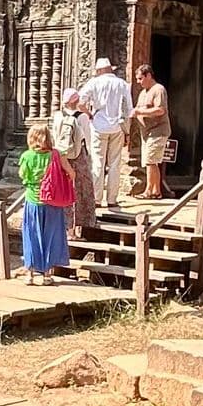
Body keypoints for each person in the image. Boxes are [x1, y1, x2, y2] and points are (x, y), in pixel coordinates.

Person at [17, 121, 75, 285]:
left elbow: (22, 176)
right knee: (50, 236)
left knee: (32, 236)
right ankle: (47, 275)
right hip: (53, 202)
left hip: (33, 201)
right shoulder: (56, 155)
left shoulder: (27, 156)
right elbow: (71, 173)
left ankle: (30, 274)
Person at [78, 55, 133, 213]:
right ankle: (112, 200)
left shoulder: (94, 83)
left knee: (97, 163)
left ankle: (96, 198)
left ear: (99, 70)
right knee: (115, 163)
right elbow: (128, 109)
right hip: (117, 127)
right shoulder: (122, 84)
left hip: (98, 125)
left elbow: (80, 103)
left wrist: (89, 114)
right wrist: (127, 131)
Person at [49, 86, 96, 233]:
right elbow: (87, 139)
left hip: (61, 154)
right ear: (76, 100)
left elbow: (54, 136)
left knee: (64, 187)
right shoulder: (82, 117)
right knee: (82, 188)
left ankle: (64, 225)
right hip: (78, 155)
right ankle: (80, 225)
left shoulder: (57, 116)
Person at [132, 62, 171, 200]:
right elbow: (137, 109)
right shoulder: (143, 93)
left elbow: (161, 109)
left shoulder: (158, 89)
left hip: (157, 130)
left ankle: (149, 190)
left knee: (150, 160)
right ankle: (156, 190)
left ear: (148, 75)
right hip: (146, 132)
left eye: (140, 78)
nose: (138, 82)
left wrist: (141, 111)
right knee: (151, 161)